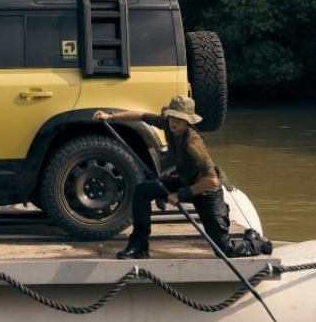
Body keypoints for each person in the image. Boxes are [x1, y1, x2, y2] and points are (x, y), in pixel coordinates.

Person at [93, 94, 263, 260]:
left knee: (224, 250)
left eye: (180, 119)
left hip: (206, 193)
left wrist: (181, 195)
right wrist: (110, 117)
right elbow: (141, 115)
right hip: (184, 181)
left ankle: (256, 243)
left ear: (188, 121)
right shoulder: (167, 124)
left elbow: (212, 181)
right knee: (142, 190)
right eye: (172, 117)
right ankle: (139, 245)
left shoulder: (193, 144)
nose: (174, 122)